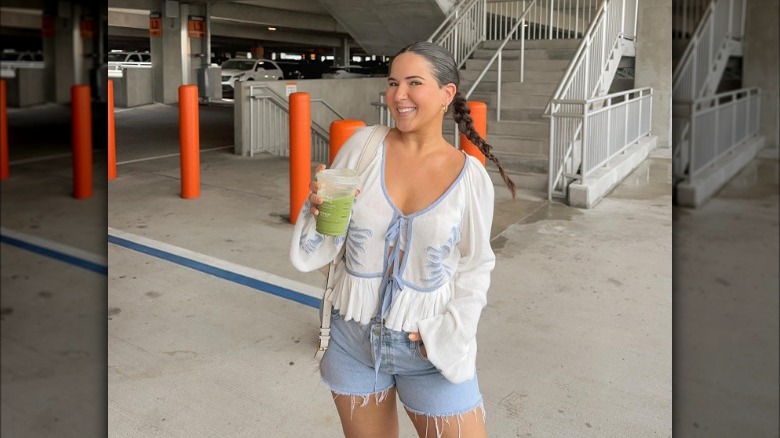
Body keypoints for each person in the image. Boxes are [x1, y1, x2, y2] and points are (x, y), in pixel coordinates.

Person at [290, 41, 516, 438]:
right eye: (393, 83)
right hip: (352, 339)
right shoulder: (363, 147)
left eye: (415, 82)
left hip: (429, 347)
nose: (399, 95)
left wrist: (451, 336)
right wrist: (319, 213)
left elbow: (476, 264)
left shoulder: (470, 178)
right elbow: (327, 241)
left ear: (447, 94)